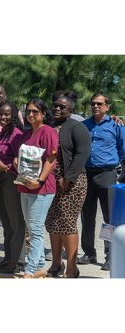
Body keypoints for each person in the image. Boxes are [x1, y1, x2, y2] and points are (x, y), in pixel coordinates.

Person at [45, 95, 91, 278]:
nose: (57, 109)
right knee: (53, 222)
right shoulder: (49, 126)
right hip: (51, 182)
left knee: (67, 223)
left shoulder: (77, 127)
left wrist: (68, 178)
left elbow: (82, 153)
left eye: (62, 107)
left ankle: (72, 268)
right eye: (55, 106)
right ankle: (57, 264)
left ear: (70, 110)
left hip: (72, 183)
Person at [79, 93, 125, 271]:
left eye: (99, 103)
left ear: (107, 106)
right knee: (87, 215)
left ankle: (110, 254)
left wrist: (111, 163)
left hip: (106, 174)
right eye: (93, 103)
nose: (96, 106)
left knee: (109, 217)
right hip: (87, 174)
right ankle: (89, 253)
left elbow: (122, 150)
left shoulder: (116, 125)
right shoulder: (84, 125)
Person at [13, 98, 58, 278]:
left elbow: (51, 159)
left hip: (42, 188)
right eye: (29, 111)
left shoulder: (47, 131)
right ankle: (40, 266)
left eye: (35, 112)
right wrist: (17, 164)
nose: (31, 115)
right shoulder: (26, 133)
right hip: (25, 186)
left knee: (36, 229)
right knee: (31, 229)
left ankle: (30, 270)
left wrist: (39, 181)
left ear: (43, 114)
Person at [0, 102, 26, 274]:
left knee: (15, 223)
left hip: (11, 181)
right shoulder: (3, 133)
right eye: (1, 114)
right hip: (0, 181)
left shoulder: (16, 135)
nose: (3, 117)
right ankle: (7, 259)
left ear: (14, 116)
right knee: (6, 223)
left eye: (7, 114)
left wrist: (6, 168)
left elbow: (22, 164)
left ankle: (16, 262)